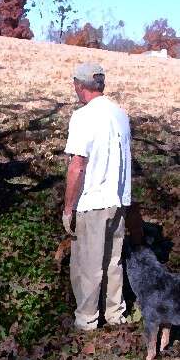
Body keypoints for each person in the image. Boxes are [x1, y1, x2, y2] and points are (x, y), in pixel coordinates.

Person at [62, 62, 131, 331]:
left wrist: (69, 208)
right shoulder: (121, 114)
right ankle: (115, 313)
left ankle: (88, 319)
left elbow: (77, 165)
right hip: (119, 199)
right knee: (113, 261)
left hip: (92, 202)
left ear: (80, 86)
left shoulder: (83, 117)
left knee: (86, 266)